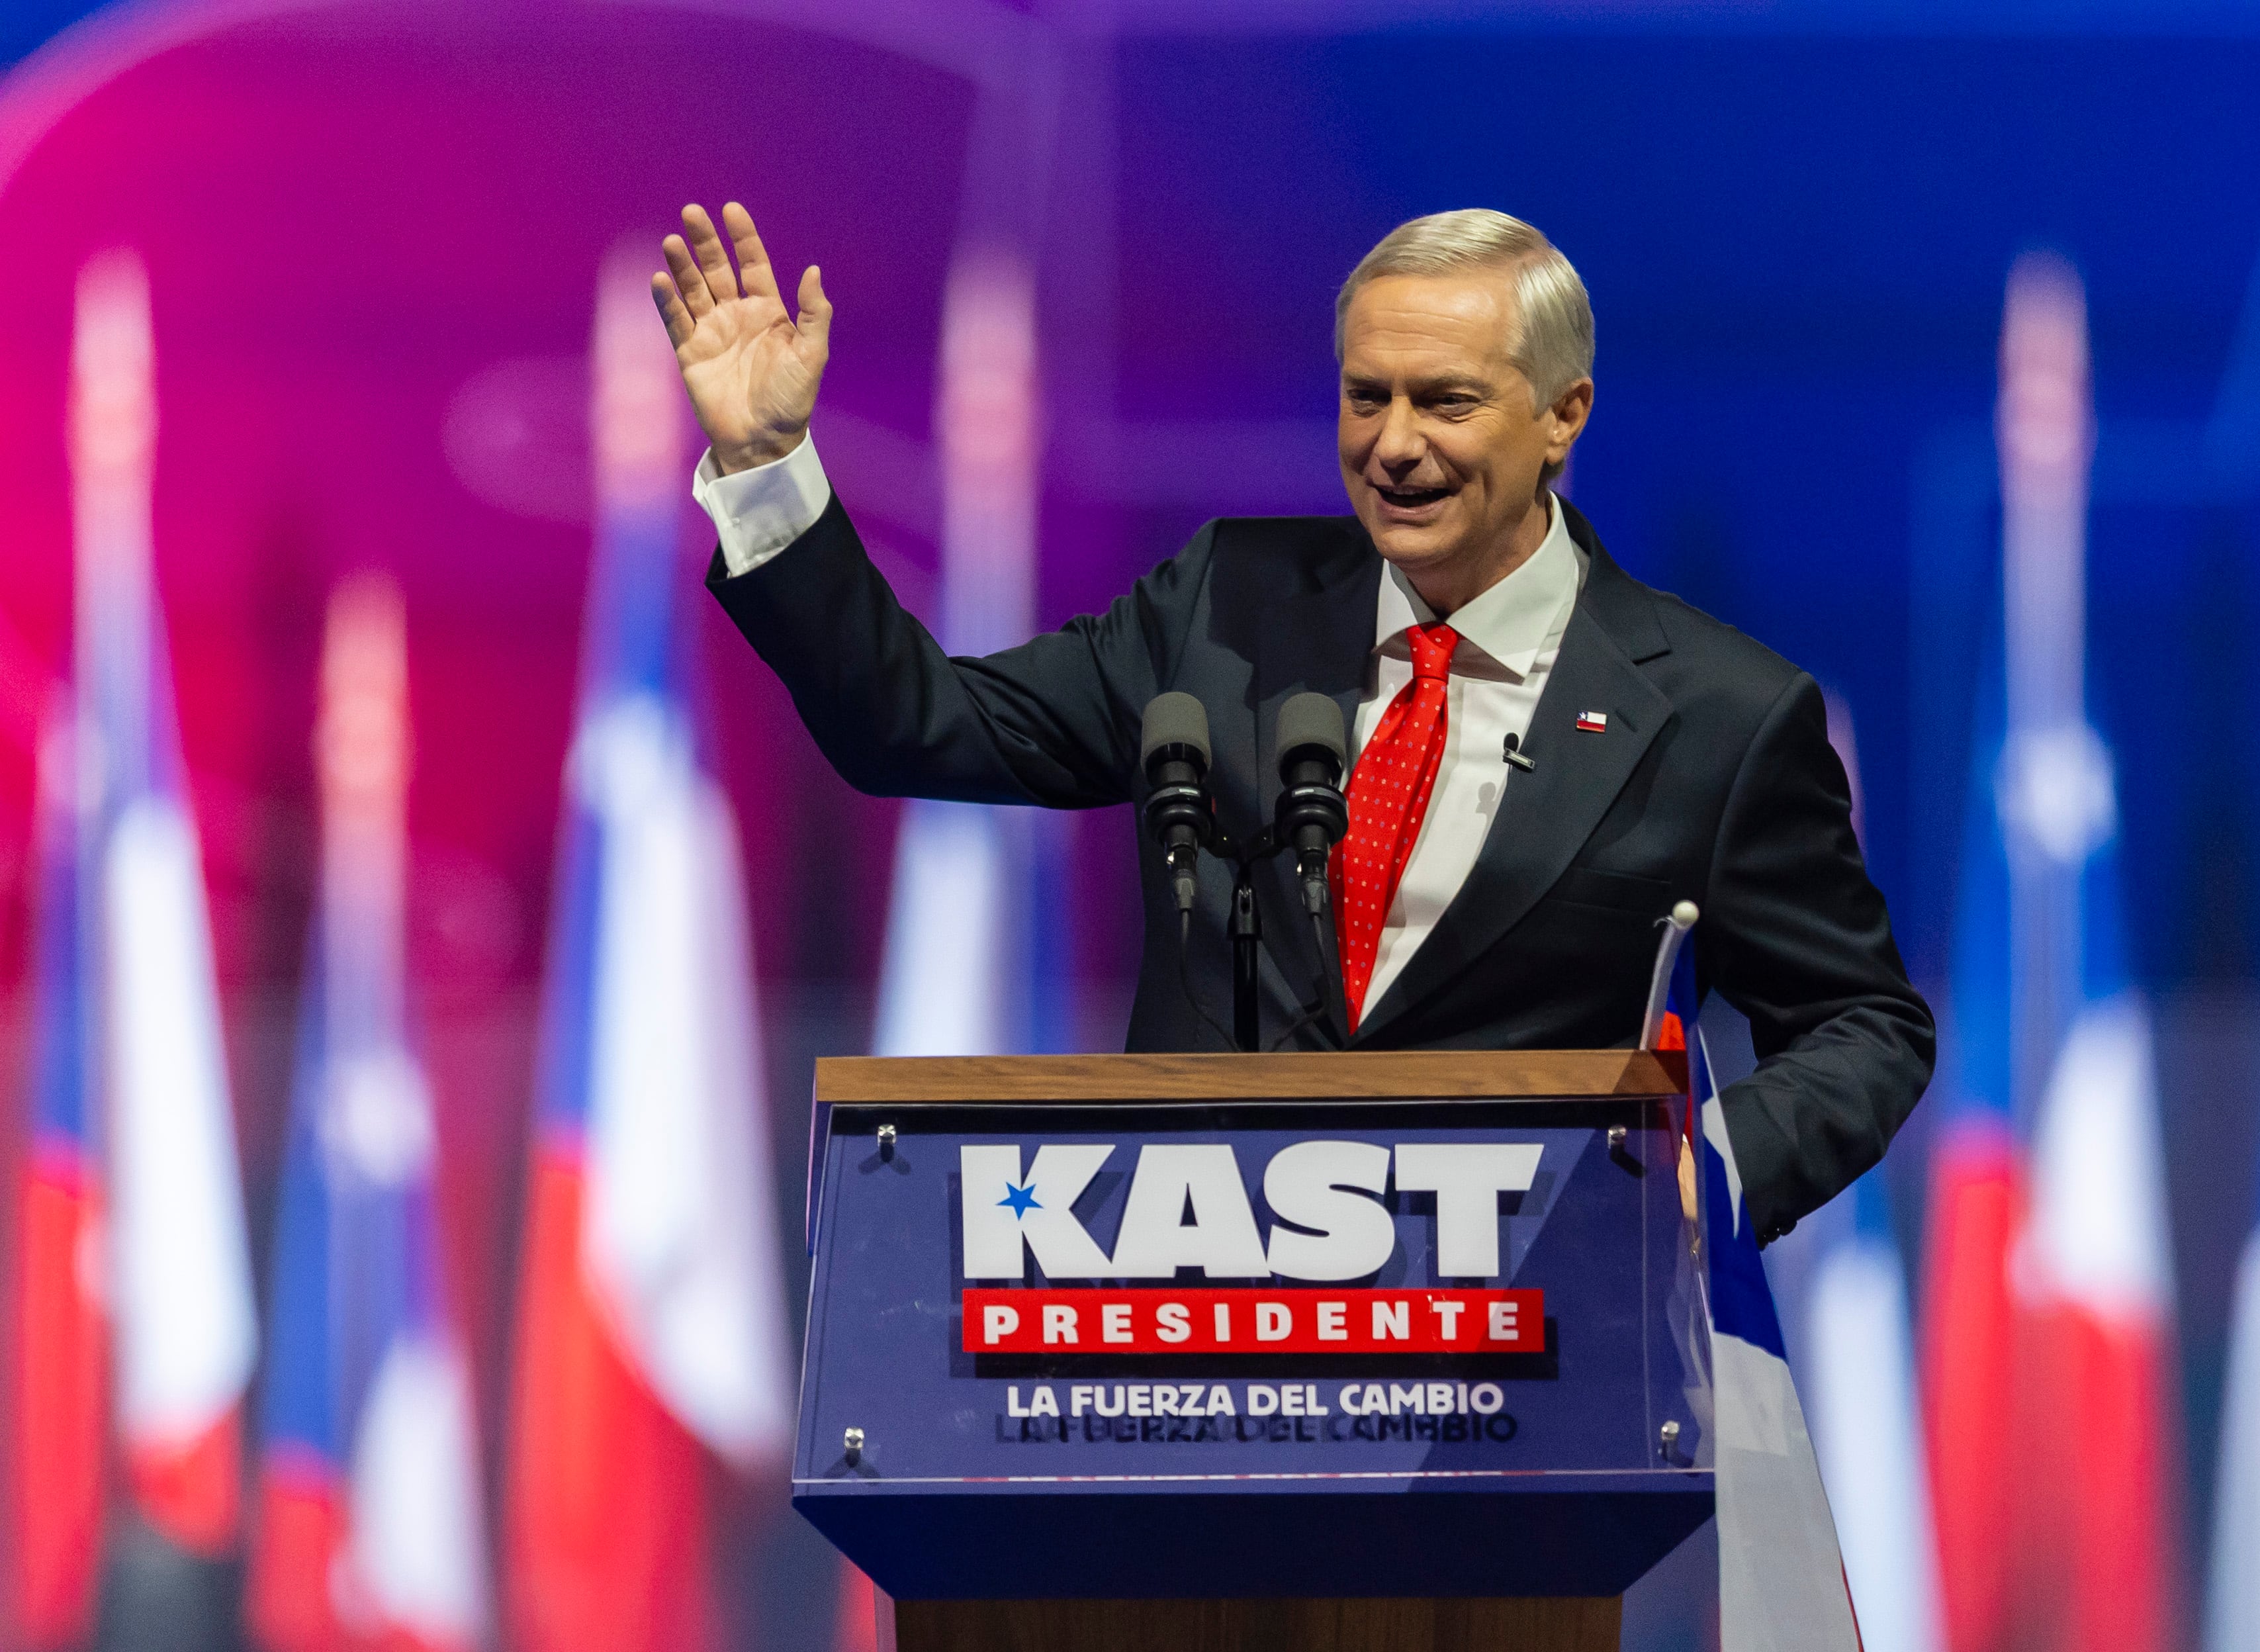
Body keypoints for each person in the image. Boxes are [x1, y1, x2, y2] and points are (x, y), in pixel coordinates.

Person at [653, 201, 1931, 1242]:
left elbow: (1863, 1025)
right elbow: (917, 725)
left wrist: (1691, 1179)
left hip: (1536, 1378)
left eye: (1445, 401)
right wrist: (770, 469)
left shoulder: (1719, 713)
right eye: (1363, 396)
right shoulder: (1225, 606)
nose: (1392, 446)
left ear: (1563, 416)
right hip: (1204, 1352)